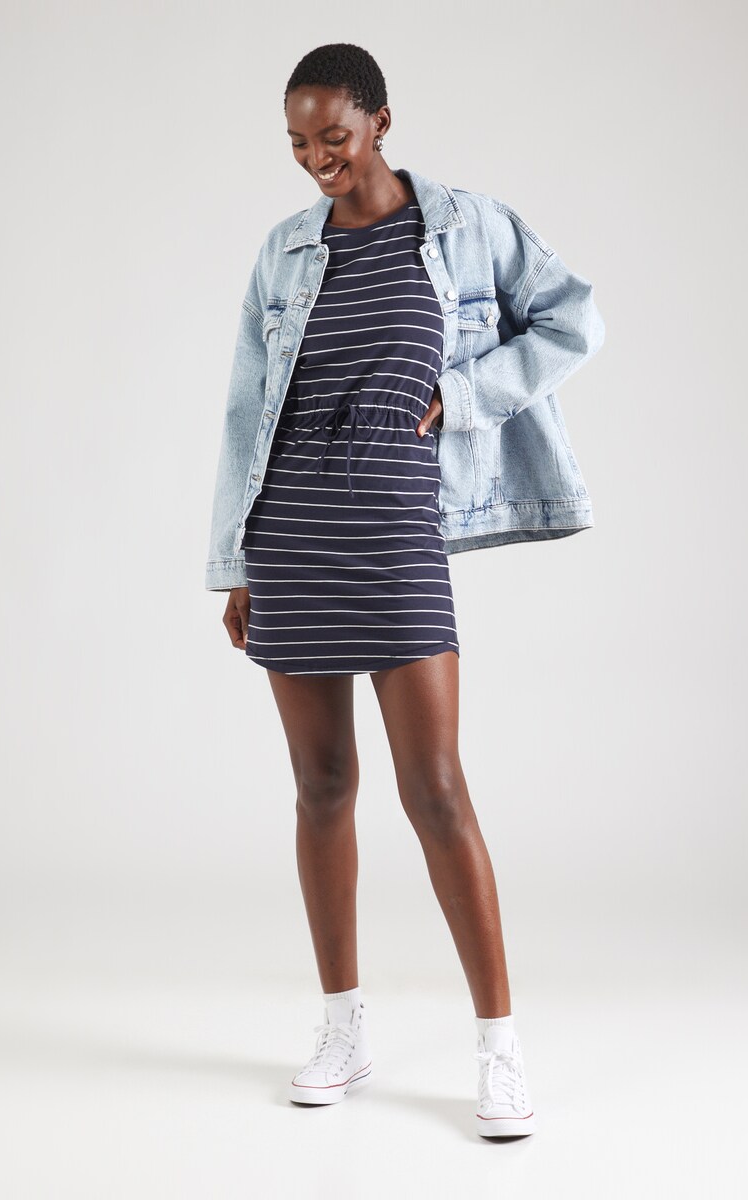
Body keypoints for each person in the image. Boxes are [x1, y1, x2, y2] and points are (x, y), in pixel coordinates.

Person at [205, 42, 605, 1139]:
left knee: (436, 791)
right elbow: (246, 410)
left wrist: (465, 395)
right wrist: (237, 561)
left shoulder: (469, 227)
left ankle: (500, 1050)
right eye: (298, 142)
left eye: (333, 136)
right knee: (322, 787)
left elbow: (574, 319)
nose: (316, 159)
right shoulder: (285, 252)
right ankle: (343, 1029)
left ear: (381, 120)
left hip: (395, 532)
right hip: (292, 534)